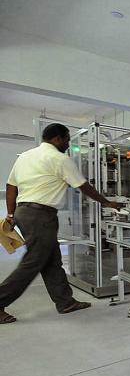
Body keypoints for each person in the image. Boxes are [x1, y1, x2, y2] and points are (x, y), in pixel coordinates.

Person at [0, 123, 120, 324]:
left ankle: (65, 301)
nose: (67, 143)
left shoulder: (25, 157)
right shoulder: (59, 159)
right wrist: (107, 202)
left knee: (52, 260)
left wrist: (11, 214)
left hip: (24, 212)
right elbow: (84, 186)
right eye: (66, 139)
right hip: (41, 215)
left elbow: (11, 186)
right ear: (57, 139)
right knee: (34, 261)